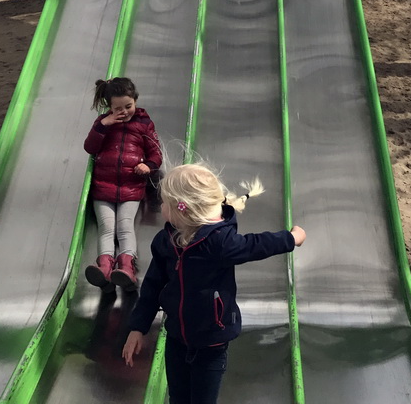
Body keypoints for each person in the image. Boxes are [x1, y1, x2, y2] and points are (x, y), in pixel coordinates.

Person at [122, 163, 306, 403]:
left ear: (183, 209)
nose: (161, 207)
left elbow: (258, 245)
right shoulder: (165, 242)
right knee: (178, 397)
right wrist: (138, 327)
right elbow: (152, 286)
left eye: (165, 203)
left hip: (212, 343)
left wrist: (291, 238)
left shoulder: (220, 243)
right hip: (176, 339)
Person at [83, 77, 163, 292]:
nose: (124, 111)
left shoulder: (144, 123)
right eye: (118, 108)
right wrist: (103, 126)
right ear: (109, 107)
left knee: (125, 227)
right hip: (103, 187)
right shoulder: (103, 123)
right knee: (107, 228)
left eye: (128, 106)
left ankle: (126, 268)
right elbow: (90, 147)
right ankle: (104, 269)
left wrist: (149, 166)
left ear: (135, 100)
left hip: (131, 187)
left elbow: (156, 152)